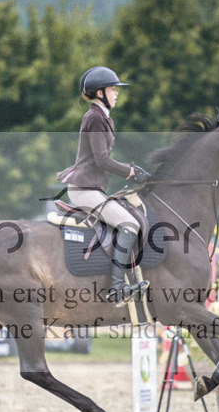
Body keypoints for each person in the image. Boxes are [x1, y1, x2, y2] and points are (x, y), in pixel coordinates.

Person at [60, 66, 151, 305]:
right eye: (113, 89)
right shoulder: (95, 117)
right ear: (100, 93)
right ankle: (118, 288)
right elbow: (102, 159)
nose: (116, 93)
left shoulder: (101, 116)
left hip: (92, 187)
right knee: (130, 224)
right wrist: (130, 171)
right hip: (84, 190)